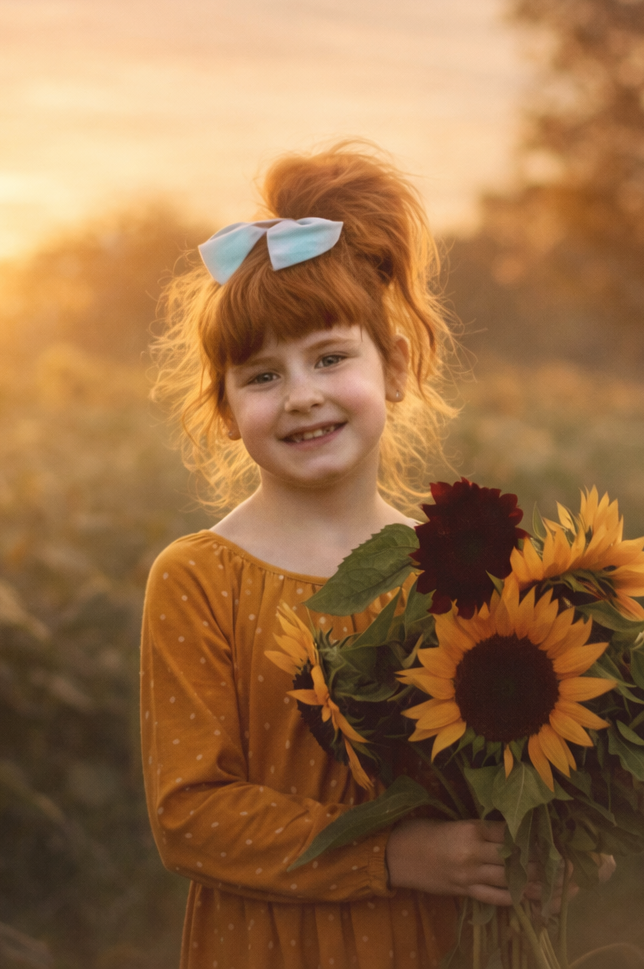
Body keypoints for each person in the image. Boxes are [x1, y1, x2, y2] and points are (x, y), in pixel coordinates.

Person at [141, 142, 532, 968]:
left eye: (328, 358)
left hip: (424, 945)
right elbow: (189, 815)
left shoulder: (455, 569)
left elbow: (498, 766)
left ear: (392, 368)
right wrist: (397, 855)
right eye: (261, 376)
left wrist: (544, 836)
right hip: (261, 946)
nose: (303, 395)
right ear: (223, 407)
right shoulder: (199, 579)